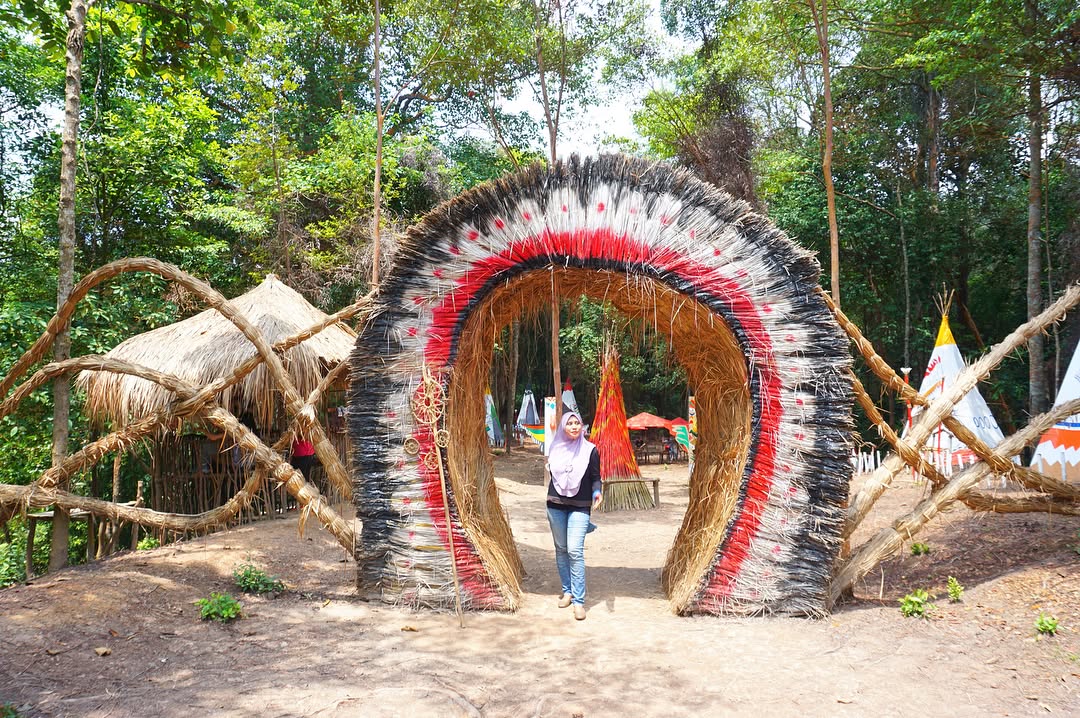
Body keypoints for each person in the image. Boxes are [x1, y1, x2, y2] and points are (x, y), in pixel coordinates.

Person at [545, 411, 602, 620]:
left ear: (582, 426)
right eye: (569, 423)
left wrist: (597, 492)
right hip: (555, 504)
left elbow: (596, 478)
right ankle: (567, 590)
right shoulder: (555, 448)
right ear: (563, 427)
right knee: (561, 549)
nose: (574, 426)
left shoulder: (590, 450)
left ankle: (579, 601)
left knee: (575, 551)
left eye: (577, 422)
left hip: (580, 506)